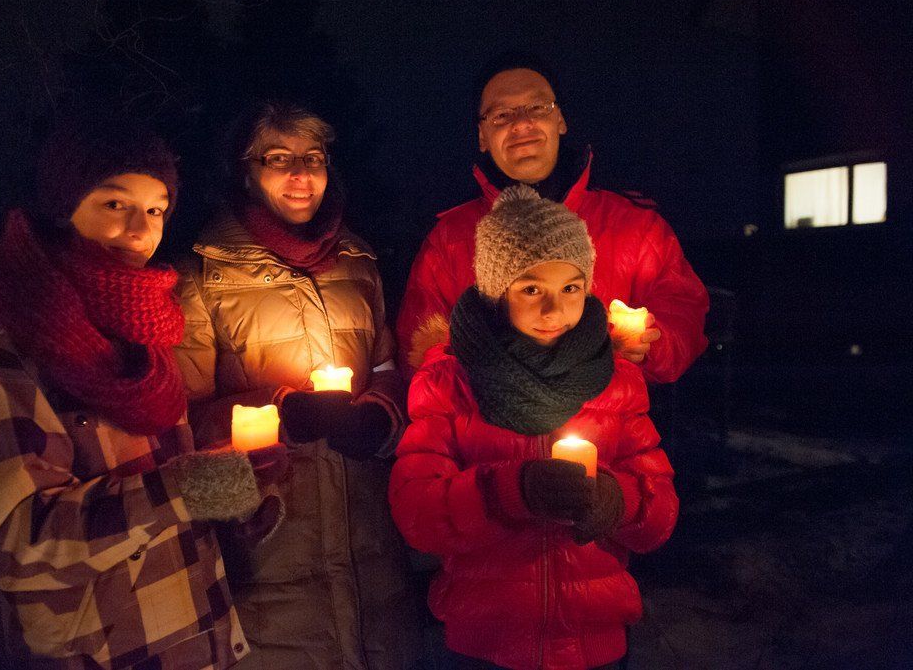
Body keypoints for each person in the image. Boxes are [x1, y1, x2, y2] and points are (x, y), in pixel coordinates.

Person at [0, 120, 274, 668]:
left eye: (156, 209)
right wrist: (183, 490)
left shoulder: (146, 345)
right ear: (63, 209)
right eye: (115, 203)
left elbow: (164, 480)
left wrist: (233, 494)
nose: (140, 229)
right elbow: (13, 544)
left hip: (199, 643)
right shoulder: (5, 361)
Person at [389, 185, 679, 670]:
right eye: (530, 289)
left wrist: (619, 501)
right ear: (495, 292)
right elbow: (418, 514)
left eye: (570, 288)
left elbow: (660, 515)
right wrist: (510, 492)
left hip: (594, 643)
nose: (553, 310)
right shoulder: (449, 384)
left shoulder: (616, 381)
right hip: (486, 645)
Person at [174, 102, 419, 669]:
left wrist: (380, 417)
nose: (300, 174)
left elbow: (389, 374)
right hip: (270, 556)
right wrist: (279, 413)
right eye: (278, 158)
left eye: (313, 158)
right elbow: (181, 422)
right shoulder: (202, 275)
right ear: (246, 171)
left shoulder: (358, 263)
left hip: (371, 556)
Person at [396, 56, 709, 383]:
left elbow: (684, 313)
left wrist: (651, 343)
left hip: (612, 413)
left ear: (560, 119)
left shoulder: (635, 227)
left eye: (537, 107)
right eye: (502, 114)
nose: (521, 123)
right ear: (482, 136)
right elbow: (419, 351)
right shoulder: (449, 240)